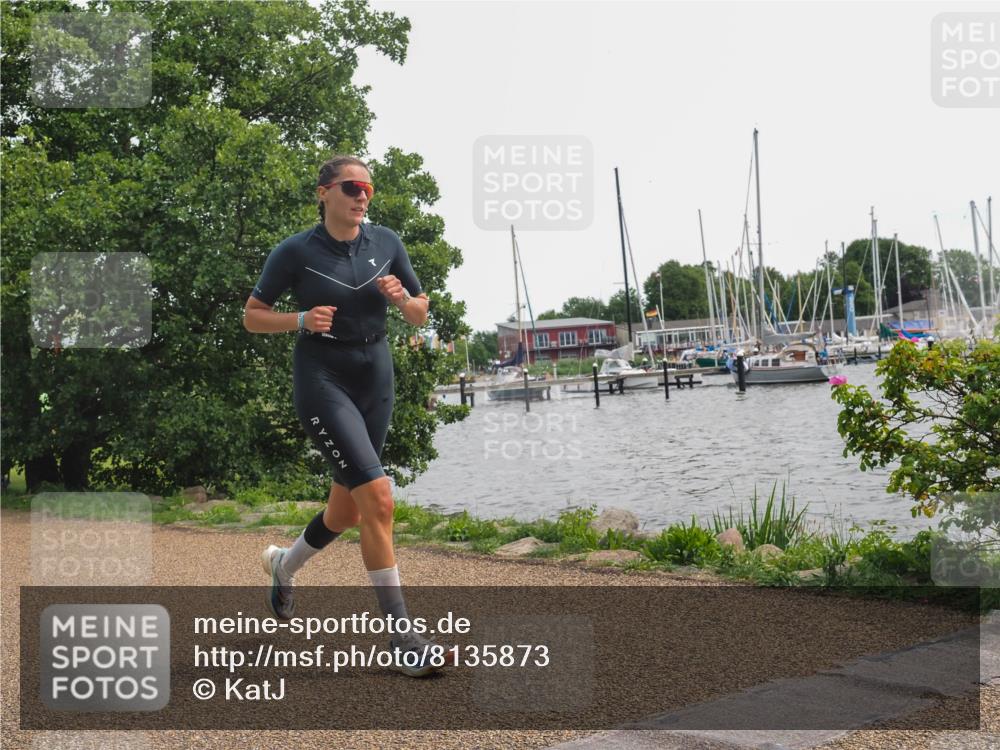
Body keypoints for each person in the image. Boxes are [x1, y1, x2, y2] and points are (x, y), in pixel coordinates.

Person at [243, 154, 438, 677]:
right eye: (352, 187)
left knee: (348, 511)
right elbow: (252, 316)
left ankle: (284, 566)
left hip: (376, 374)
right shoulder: (295, 252)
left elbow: (422, 308)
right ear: (324, 192)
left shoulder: (387, 243)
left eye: (368, 190)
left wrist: (403, 301)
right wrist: (300, 318)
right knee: (376, 496)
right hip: (322, 378)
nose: (362, 197)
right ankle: (402, 638)